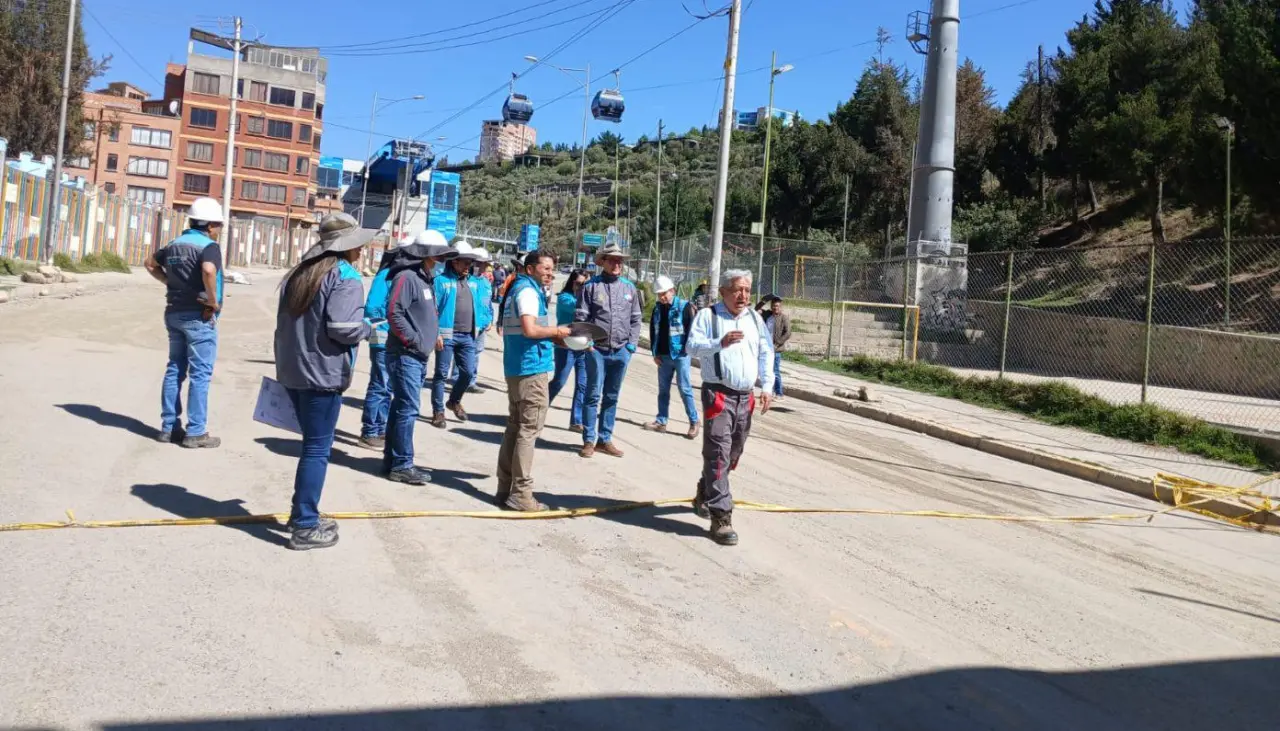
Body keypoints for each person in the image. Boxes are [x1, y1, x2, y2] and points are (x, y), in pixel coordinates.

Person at [272, 213, 376, 550]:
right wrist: (371, 329)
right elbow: (344, 329)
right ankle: (304, 523)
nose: (362, 249)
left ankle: (302, 512)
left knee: (309, 447)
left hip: (293, 370)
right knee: (317, 450)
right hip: (323, 374)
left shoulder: (299, 274)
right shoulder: (345, 277)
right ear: (348, 246)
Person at [686, 270, 775, 546]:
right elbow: (691, 347)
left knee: (733, 452)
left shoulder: (754, 319)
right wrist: (718, 343)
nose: (743, 296)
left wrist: (767, 387)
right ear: (724, 291)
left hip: (745, 397)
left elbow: (766, 351)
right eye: (737, 290)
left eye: (747, 290)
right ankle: (721, 517)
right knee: (718, 454)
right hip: (718, 395)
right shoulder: (708, 317)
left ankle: (706, 488)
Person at [144, 196, 226, 448]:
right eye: (218, 226)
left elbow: (150, 264)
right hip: (198, 316)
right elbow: (209, 270)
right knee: (200, 374)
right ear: (211, 225)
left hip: (174, 312)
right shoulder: (208, 246)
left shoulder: (174, 244)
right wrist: (212, 301)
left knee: (174, 369)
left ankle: (169, 428)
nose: (219, 231)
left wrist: (170, 282)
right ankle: (196, 431)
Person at [496, 249, 571, 511]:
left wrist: (554, 336)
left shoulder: (521, 290)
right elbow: (530, 330)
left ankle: (505, 488)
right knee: (528, 431)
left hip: (517, 368)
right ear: (530, 269)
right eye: (546, 268)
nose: (550, 273)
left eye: (552, 269)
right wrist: (559, 331)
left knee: (515, 428)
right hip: (530, 371)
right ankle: (521, 494)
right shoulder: (527, 292)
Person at [383, 229, 457, 485]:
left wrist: (431, 335)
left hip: (415, 354)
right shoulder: (406, 277)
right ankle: (402, 464)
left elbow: (423, 313)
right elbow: (394, 313)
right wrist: (415, 341)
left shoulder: (425, 280)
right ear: (428, 256)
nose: (441, 262)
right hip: (406, 354)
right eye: (439, 256)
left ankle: (392, 461)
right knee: (408, 408)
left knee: (401, 407)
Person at [575, 242, 643, 458]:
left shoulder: (629, 288)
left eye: (619, 260)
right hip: (597, 350)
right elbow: (580, 319)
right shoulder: (591, 287)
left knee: (612, 396)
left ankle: (605, 439)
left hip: (621, 351)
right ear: (602, 262)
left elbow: (636, 319)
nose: (617, 264)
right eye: (612, 260)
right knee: (593, 394)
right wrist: (588, 345)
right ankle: (588, 440)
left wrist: (631, 345)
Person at [430, 240, 487, 428]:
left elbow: (481, 305)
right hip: (447, 336)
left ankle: (454, 400)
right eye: (465, 262)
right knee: (440, 374)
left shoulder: (474, 283)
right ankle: (438, 411)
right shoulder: (441, 281)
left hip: (468, 336)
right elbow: (433, 310)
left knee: (468, 373)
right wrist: (436, 333)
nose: (468, 267)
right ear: (454, 262)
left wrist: (484, 322)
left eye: (470, 263)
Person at [644, 276, 699, 439]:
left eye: (664, 293)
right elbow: (653, 332)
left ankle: (694, 422)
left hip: (680, 355)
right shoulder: (657, 309)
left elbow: (692, 332)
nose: (662, 297)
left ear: (672, 291)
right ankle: (661, 421)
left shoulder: (684, 307)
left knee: (685, 389)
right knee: (663, 390)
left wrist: (688, 351)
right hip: (663, 356)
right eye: (659, 294)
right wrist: (655, 354)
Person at [357, 244, 400, 451]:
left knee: (387, 386)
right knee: (380, 384)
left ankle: (380, 428)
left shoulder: (398, 276)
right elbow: (373, 306)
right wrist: (391, 320)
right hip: (382, 336)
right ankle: (370, 430)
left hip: (392, 339)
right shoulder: (386, 275)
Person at [548, 268, 590, 431]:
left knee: (582, 385)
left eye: (585, 285)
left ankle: (576, 420)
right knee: (559, 381)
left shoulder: (585, 299)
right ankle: (540, 407)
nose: (581, 288)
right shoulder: (565, 299)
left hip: (582, 346)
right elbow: (579, 308)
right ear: (572, 282)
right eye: (579, 284)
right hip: (565, 346)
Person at [469, 247, 495, 394]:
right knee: (465, 352)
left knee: (477, 352)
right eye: (483, 263)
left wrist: (490, 318)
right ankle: (458, 378)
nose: (486, 266)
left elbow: (488, 302)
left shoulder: (485, 282)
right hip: (469, 324)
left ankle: (471, 380)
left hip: (482, 324)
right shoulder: (468, 280)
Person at [762, 296, 792, 398]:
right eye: (774, 306)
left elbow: (787, 333)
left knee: (775, 370)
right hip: (766, 348)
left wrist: (778, 343)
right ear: (771, 306)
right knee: (766, 370)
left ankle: (779, 393)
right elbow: (756, 310)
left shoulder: (784, 318)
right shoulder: (767, 315)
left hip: (776, 349)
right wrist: (763, 301)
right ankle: (769, 391)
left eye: (777, 306)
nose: (775, 308)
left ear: (781, 307)